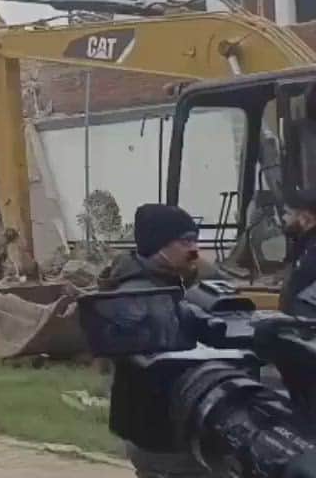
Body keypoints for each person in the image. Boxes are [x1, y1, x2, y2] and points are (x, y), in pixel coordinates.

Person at [99, 203, 215, 478]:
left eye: (195, 240)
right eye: (186, 241)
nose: (194, 249)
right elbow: (167, 361)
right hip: (158, 431)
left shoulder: (167, 283)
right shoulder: (138, 297)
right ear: (158, 245)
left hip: (169, 424)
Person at [280, 205, 316, 319]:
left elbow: (303, 277)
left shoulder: (312, 247)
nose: (284, 217)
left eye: (289, 213)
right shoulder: (304, 243)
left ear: (306, 218)